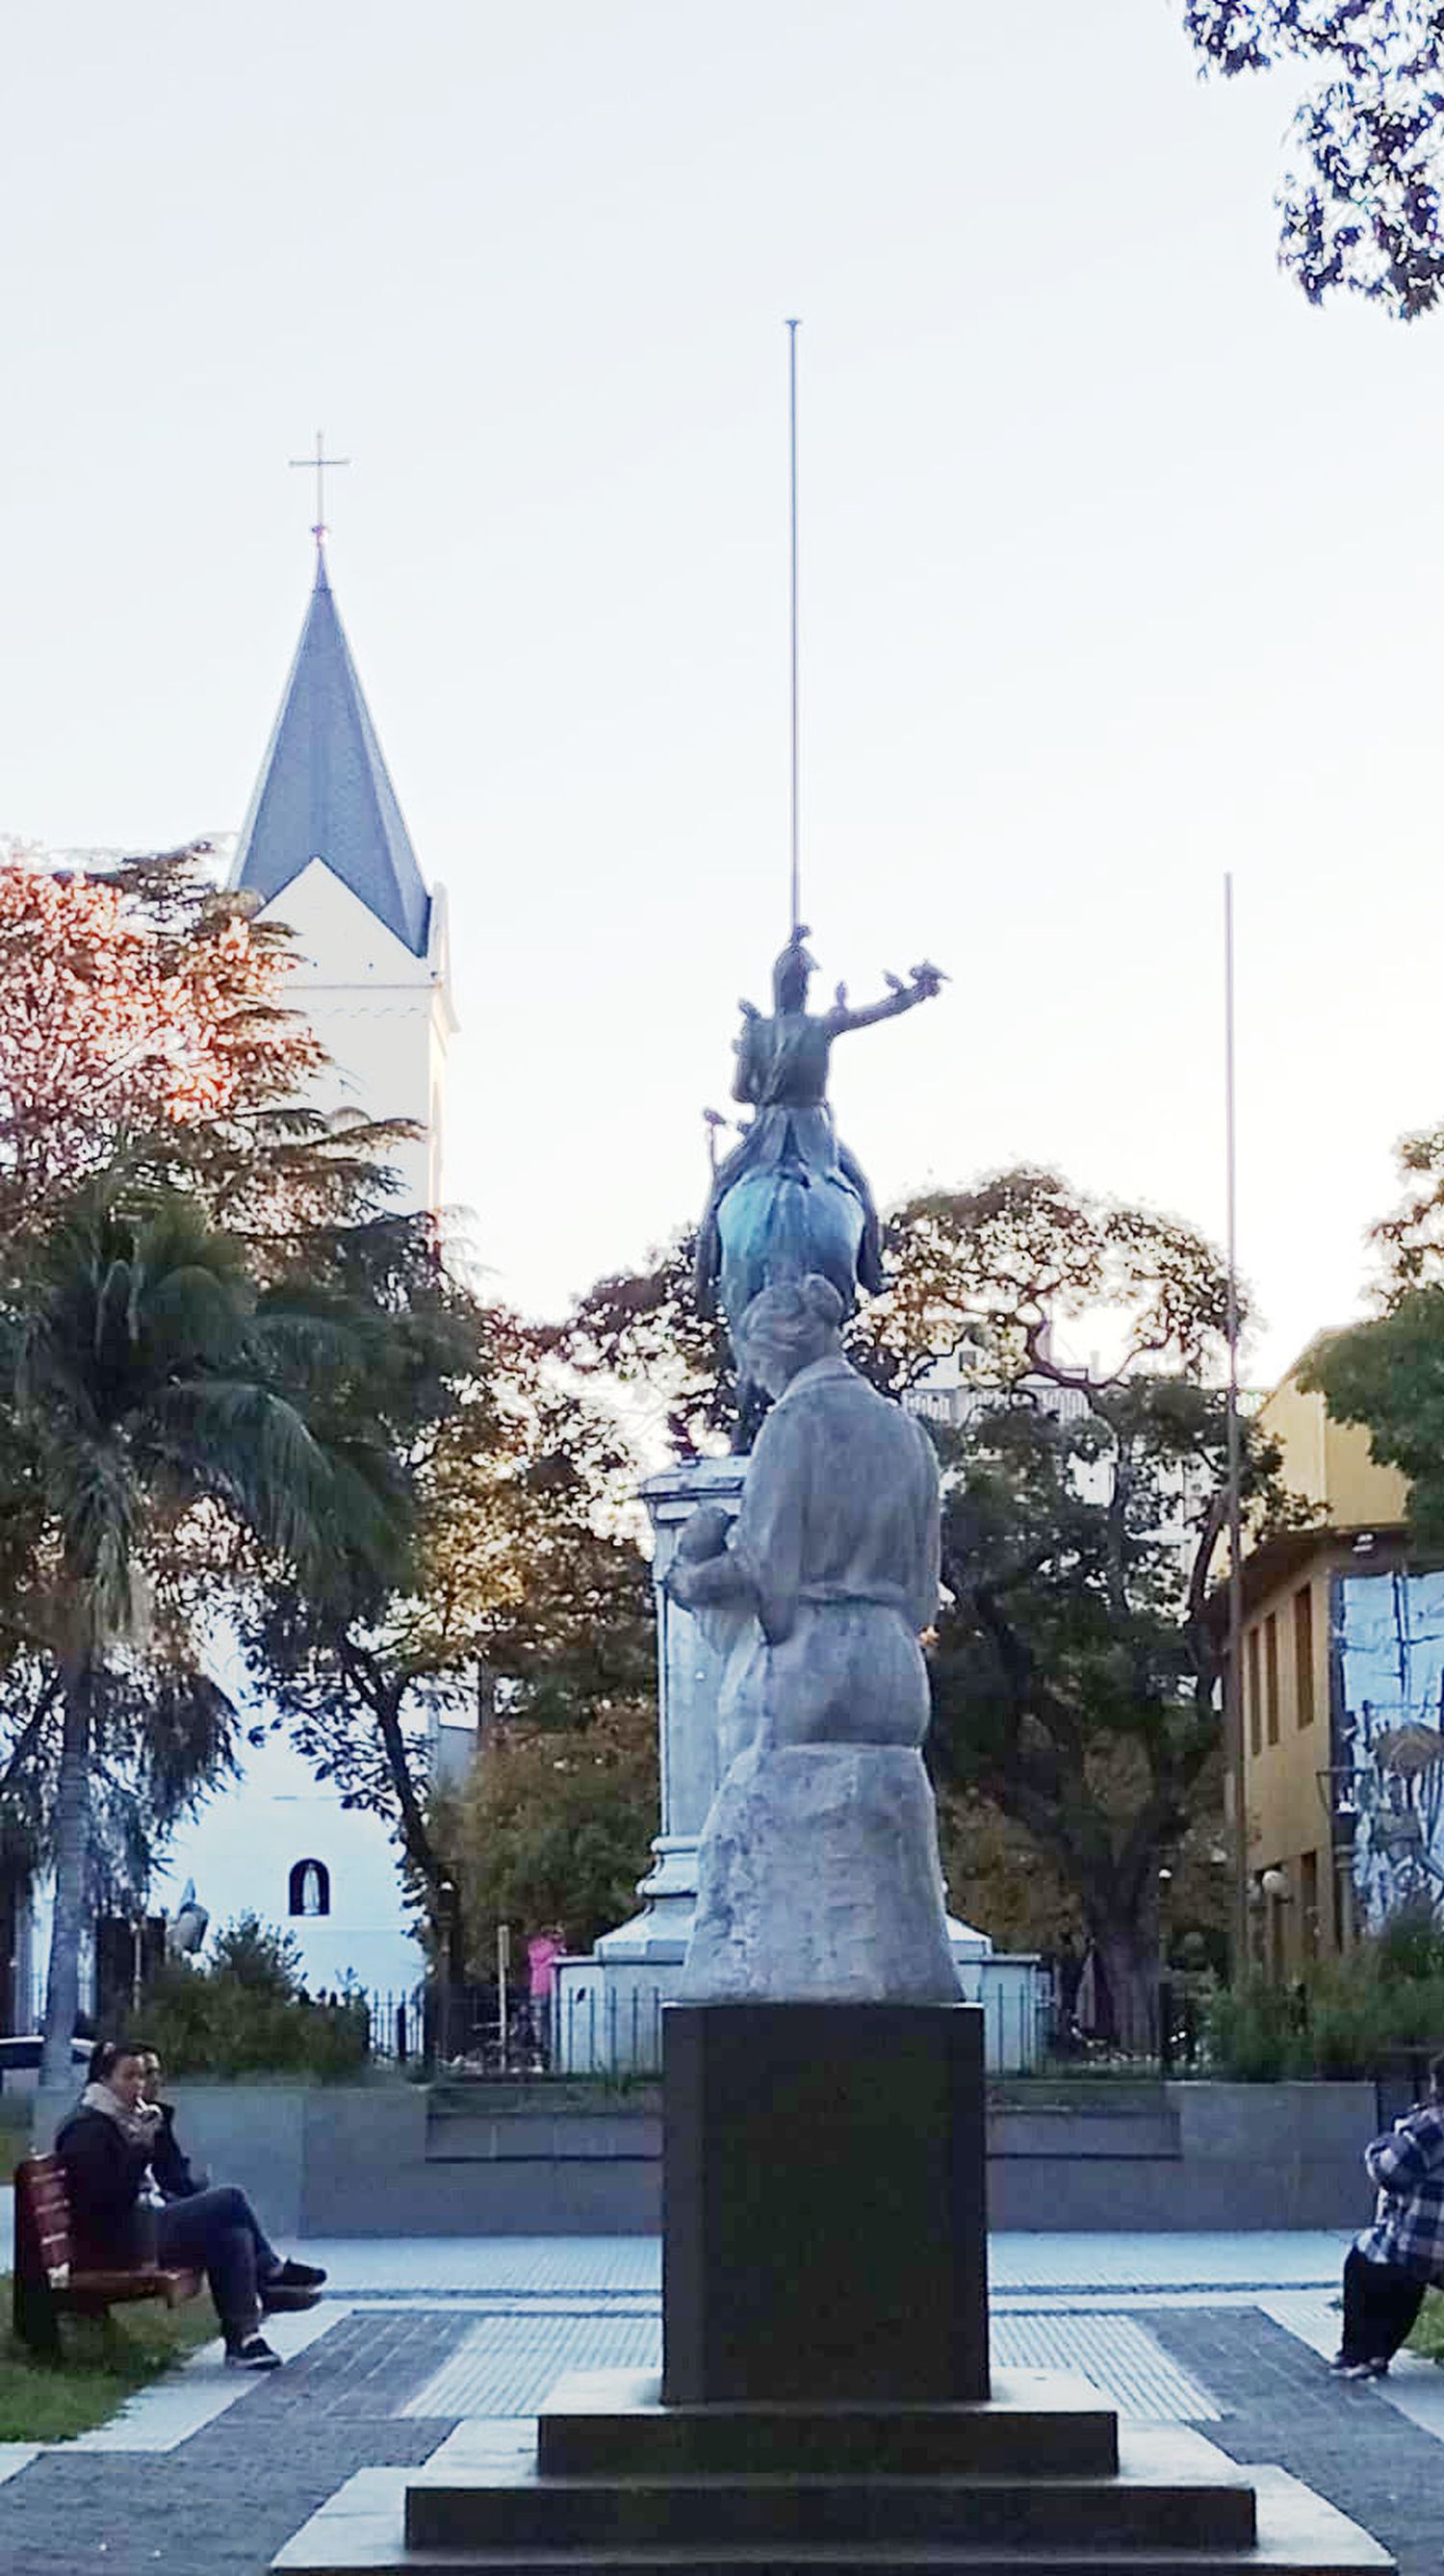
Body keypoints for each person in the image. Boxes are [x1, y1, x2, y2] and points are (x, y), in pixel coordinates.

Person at [57, 2041, 326, 2371]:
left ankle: (244, 2340)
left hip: (142, 2224)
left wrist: (153, 2135)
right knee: (231, 2199)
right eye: (128, 2077)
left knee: (231, 2233)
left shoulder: (127, 2119)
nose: (139, 2085)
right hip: (117, 2240)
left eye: (142, 2076)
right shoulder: (88, 2128)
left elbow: (171, 2177)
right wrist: (140, 2147)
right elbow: (106, 2197)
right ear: (102, 2081)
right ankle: (269, 2272)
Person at [1331, 2051, 1444, 2378]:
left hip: (1424, 2243)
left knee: (1364, 2261)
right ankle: (1377, 2352)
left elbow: (1388, 2171)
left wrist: (1378, 2147)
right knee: (1411, 2276)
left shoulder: (1431, 2125)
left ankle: (1361, 2353)